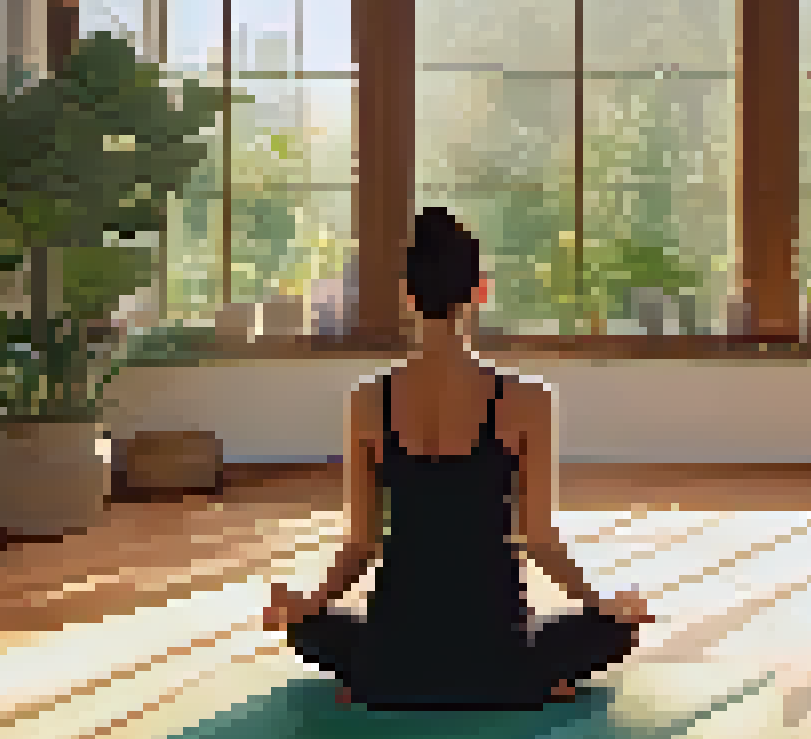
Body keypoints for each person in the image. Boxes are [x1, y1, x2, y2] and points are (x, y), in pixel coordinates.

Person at [262, 208, 651, 709]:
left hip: (391, 664)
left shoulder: (364, 401)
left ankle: (366, 679)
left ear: (407, 296)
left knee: (310, 631)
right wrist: (606, 604)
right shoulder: (530, 401)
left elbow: (359, 545)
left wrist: (306, 606)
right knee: (617, 630)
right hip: (500, 662)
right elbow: (540, 540)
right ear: (480, 292)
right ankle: (536, 682)